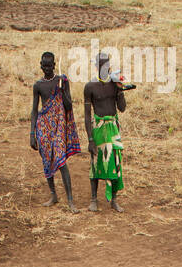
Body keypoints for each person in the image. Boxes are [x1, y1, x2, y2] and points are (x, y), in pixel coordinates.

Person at [30, 51, 80, 212]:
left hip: (58, 125)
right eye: (44, 66)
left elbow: (69, 105)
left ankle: (70, 201)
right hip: (43, 126)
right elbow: (34, 110)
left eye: (49, 66)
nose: (47, 69)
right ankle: (53, 195)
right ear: (40, 65)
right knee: (47, 160)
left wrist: (63, 90)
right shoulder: (38, 85)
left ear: (54, 65)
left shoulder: (62, 81)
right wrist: (32, 133)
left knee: (61, 160)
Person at [84, 50, 126, 213]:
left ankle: (114, 199)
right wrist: (90, 140)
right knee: (95, 162)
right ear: (96, 66)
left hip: (113, 128)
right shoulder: (90, 87)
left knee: (116, 161)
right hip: (99, 128)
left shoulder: (114, 84)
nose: (104, 68)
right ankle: (94, 199)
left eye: (106, 64)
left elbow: (122, 108)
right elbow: (87, 116)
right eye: (101, 65)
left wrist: (120, 89)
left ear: (109, 66)